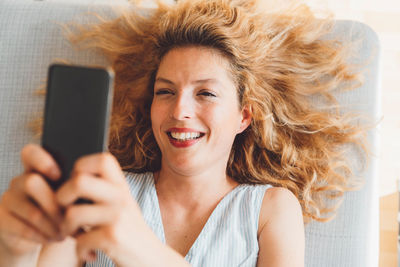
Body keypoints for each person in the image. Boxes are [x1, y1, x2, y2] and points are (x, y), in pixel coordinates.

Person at [0, 0, 367, 266]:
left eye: (205, 93)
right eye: (165, 91)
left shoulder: (268, 209)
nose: (179, 111)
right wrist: (15, 251)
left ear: (243, 116)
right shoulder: (104, 191)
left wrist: (144, 250)